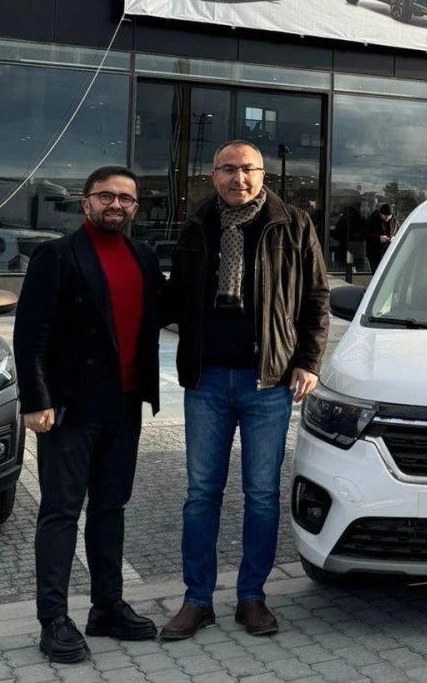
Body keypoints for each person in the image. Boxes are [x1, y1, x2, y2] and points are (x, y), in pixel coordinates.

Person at [160, 140, 330, 641]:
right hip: (207, 380)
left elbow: (317, 297)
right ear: (213, 174)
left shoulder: (293, 223)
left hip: (268, 382)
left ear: (263, 174)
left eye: (248, 169)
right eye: (229, 169)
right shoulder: (196, 225)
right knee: (201, 495)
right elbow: (173, 297)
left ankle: (252, 597)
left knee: (260, 495)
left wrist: (308, 361)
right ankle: (197, 601)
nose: (239, 178)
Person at [15, 166, 166, 663]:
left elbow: (163, 314)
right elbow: (30, 334)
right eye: (106, 196)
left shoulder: (143, 256)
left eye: (126, 198)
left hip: (124, 405)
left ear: (135, 207)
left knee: (110, 509)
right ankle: (53, 620)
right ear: (86, 203)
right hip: (70, 409)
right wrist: (36, 401)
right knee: (60, 512)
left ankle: (107, 607)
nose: (116, 205)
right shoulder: (56, 255)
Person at [363, 203, 396, 273]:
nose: (387, 218)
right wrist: (379, 238)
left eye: (389, 216)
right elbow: (365, 235)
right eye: (385, 216)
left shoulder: (394, 221)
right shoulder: (372, 220)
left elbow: (398, 231)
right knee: (377, 272)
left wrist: (394, 238)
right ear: (381, 214)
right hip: (375, 253)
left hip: (389, 252)